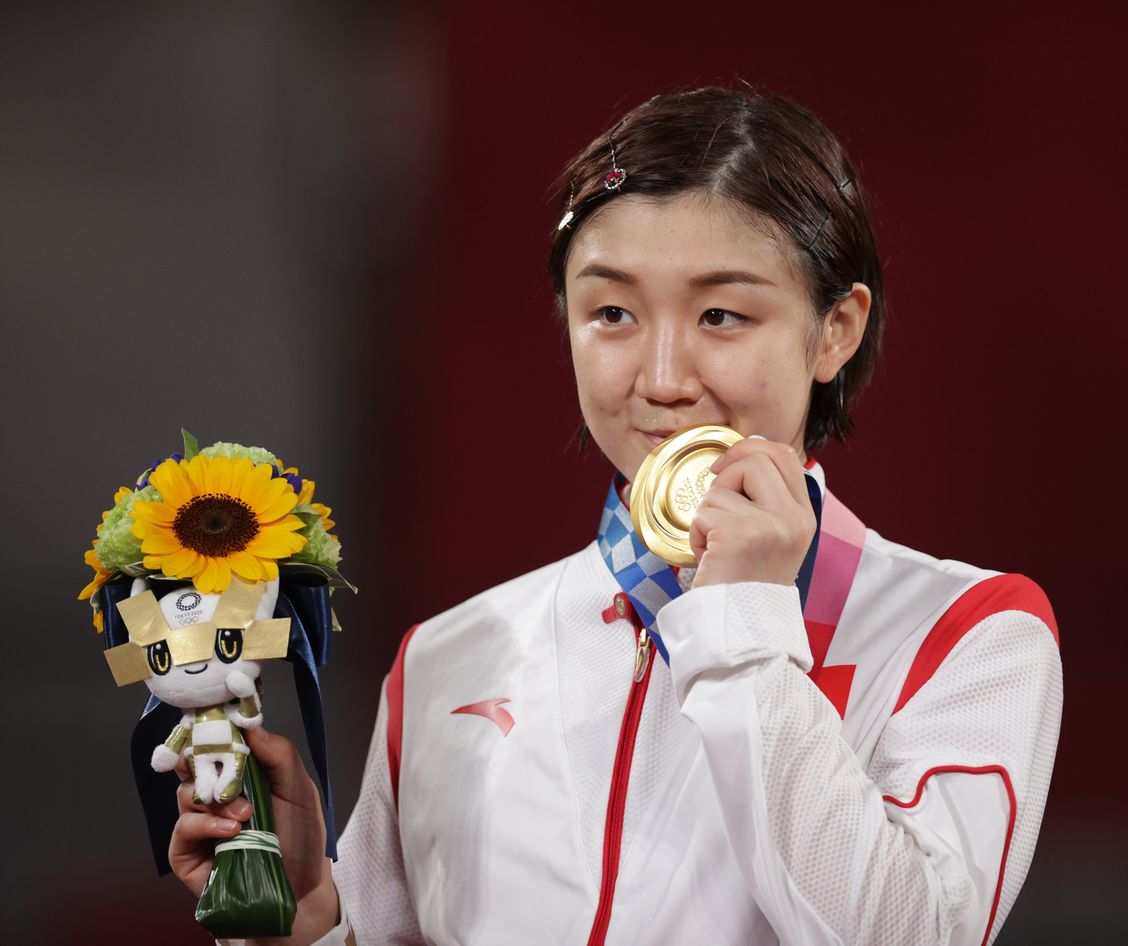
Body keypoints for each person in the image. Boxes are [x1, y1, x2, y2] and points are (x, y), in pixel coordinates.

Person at [171, 86, 1063, 946]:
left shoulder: (967, 636)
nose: (664, 376)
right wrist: (305, 927)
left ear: (836, 329)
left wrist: (741, 626)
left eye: (721, 313)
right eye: (612, 313)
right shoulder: (449, 656)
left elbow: (909, 935)